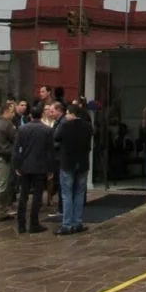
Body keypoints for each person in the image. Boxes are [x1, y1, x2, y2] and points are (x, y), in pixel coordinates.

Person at [14, 108, 55, 233]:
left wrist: (17, 165)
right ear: (41, 115)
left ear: (31, 115)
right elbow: (50, 151)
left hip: (25, 166)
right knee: (37, 196)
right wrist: (50, 169)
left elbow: (16, 149)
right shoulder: (47, 130)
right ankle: (34, 223)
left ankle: (21, 224)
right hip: (40, 166)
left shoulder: (22, 129)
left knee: (24, 195)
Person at [55, 101, 93, 235]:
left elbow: (56, 137)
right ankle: (77, 222)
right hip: (82, 163)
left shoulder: (65, 125)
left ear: (72, 114)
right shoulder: (88, 126)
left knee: (67, 193)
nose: (66, 116)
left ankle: (67, 224)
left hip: (68, 163)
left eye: (67, 114)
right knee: (79, 193)